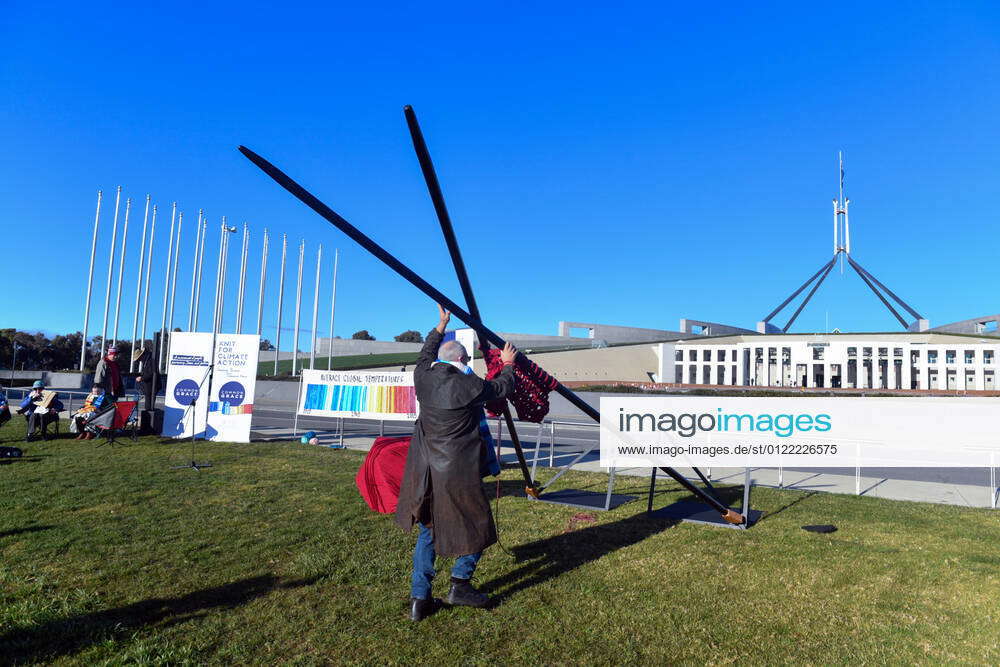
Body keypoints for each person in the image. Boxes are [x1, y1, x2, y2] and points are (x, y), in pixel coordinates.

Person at [395, 305, 518, 622]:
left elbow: (424, 355)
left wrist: (440, 325)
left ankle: (419, 600)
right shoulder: (469, 386)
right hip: (456, 473)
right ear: (462, 361)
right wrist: (507, 365)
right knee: (479, 526)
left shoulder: (422, 377)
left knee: (429, 533)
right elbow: (502, 388)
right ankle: (460, 584)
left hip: (425, 471)